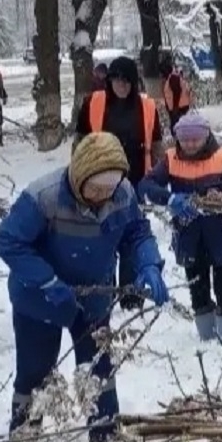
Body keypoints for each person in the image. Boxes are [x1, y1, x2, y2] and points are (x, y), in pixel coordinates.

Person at [0, 132, 169, 442]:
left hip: (94, 296)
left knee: (99, 369)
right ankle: (25, 440)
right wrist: (47, 281)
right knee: (35, 372)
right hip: (40, 298)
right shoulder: (44, 196)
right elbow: (8, 240)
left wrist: (149, 263)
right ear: (79, 176)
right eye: (95, 188)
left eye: (109, 188)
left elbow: (136, 232)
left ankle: (105, 438)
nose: (102, 195)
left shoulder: (122, 194)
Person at [139, 114, 222, 341]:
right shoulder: (171, 159)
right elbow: (146, 185)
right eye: (184, 139)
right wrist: (170, 199)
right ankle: (206, 339)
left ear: (206, 136)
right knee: (197, 288)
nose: (189, 144)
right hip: (189, 235)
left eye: (195, 139)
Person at [73, 56, 165, 311]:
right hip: (98, 185)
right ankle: (104, 295)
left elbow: (158, 146)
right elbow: (79, 144)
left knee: (131, 240)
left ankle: (131, 298)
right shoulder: (93, 103)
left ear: (134, 83)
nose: (121, 85)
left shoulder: (147, 107)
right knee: (102, 241)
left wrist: (156, 180)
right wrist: (78, 179)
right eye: (117, 80)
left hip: (135, 184)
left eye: (126, 81)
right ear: (109, 80)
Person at [160, 54, 192, 135]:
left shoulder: (173, 78)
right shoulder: (171, 78)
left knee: (177, 127)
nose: (161, 76)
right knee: (177, 126)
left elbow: (177, 93)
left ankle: (178, 140)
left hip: (179, 107)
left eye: (162, 73)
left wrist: (175, 108)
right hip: (178, 107)